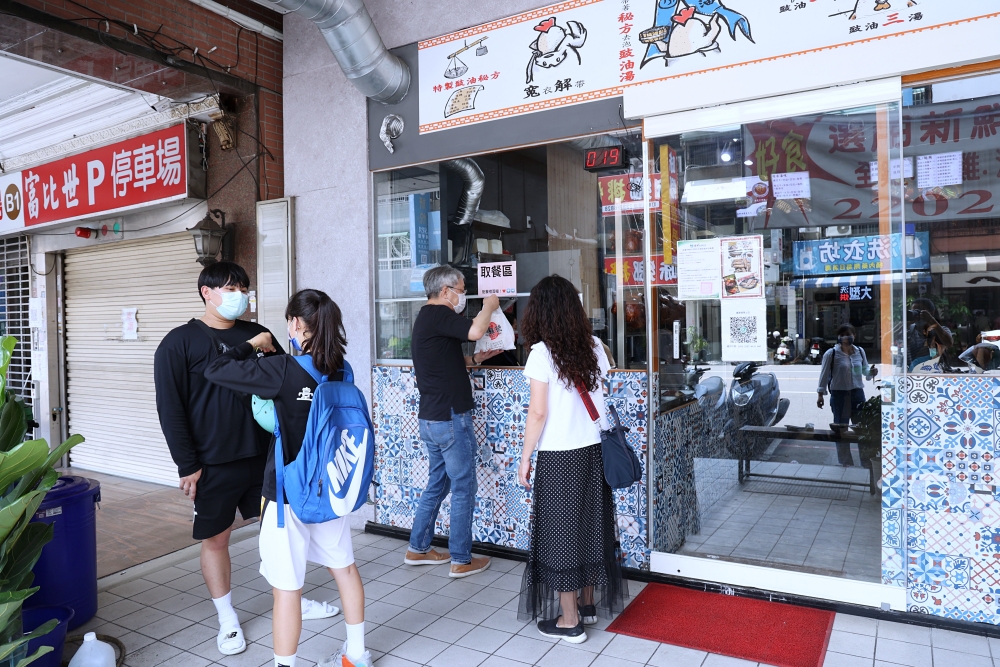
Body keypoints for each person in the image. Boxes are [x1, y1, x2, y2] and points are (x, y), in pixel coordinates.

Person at [154, 263, 333, 658]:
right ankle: (227, 619)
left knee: (279, 533)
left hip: (267, 456)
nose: (241, 294)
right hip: (213, 460)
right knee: (217, 538)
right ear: (207, 291)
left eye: (244, 287)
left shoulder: (257, 333)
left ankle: (290, 600)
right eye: (232, 287)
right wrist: (187, 464)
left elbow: (292, 385)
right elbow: (170, 408)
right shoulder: (178, 342)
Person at [204, 289, 370, 667]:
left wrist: (254, 343)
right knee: (344, 569)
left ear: (296, 323)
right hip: (330, 489)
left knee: (287, 591)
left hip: (287, 495)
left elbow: (215, 370)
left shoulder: (281, 371)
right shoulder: (343, 368)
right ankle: (357, 656)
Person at [516, 275, 627, 644]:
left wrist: (525, 458)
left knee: (561, 536)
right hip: (594, 451)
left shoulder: (540, 354)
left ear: (540, 312)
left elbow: (537, 413)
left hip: (560, 456)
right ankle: (589, 605)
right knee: (593, 527)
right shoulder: (595, 345)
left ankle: (569, 621)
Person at [404, 265, 502, 576]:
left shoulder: (426, 318)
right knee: (463, 486)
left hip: (431, 419)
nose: (463, 295)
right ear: (445, 291)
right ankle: (461, 559)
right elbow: (475, 332)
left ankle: (417, 548)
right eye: (460, 289)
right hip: (449, 418)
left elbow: (441, 359)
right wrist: (489, 305)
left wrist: (473, 360)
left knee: (438, 482)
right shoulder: (440, 313)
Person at [817, 324, 876, 467]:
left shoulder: (860, 351)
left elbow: (865, 371)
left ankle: (865, 462)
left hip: (857, 394)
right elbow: (824, 375)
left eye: (848, 334)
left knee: (861, 429)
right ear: (838, 337)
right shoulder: (831, 353)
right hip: (839, 395)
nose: (845, 337)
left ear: (854, 336)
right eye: (842, 334)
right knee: (841, 429)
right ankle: (845, 462)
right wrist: (820, 395)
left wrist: (871, 373)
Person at [907, 299, 953, 369]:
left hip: (935, 374)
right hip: (911, 374)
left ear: (932, 312)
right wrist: (906, 323)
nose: (918, 315)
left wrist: (932, 320)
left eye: (920, 311)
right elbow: (888, 339)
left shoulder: (940, 330)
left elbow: (949, 343)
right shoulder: (909, 330)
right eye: (914, 311)